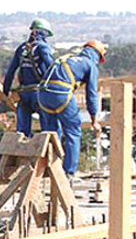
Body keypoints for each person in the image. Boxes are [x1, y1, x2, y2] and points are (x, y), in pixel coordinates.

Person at [38, 40, 105, 177]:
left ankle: (47, 169)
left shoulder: (66, 58)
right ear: (97, 55)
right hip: (61, 94)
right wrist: (94, 120)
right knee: (73, 131)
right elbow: (91, 94)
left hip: (42, 95)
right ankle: (69, 173)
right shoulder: (90, 65)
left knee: (50, 133)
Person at [2, 18, 56, 137]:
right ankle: (49, 153)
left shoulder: (22, 48)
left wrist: (5, 91)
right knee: (48, 131)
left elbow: (11, 71)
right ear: (45, 33)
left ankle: (23, 153)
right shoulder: (43, 47)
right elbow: (52, 68)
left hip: (24, 94)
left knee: (22, 134)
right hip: (39, 94)